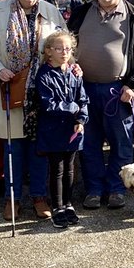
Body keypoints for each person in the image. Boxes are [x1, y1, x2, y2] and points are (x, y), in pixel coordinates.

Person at [0, 0, 67, 221]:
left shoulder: (51, 12)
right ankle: (12, 199)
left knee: (39, 148)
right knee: (13, 148)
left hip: (42, 92)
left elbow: (64, 45)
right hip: (11, 88)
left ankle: (39, 197)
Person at [67, 0, 134, 209]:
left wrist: (133, 84)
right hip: (84, 90)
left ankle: (117, 189)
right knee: (90, 143)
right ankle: (94, 189)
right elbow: (67, 45)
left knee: (122, 144)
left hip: (119, 92)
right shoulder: (81, 11)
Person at [34, 30, 88, 227]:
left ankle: (68, 204)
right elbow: (49, 104)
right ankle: (57, 206)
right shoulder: (44, 74)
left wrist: (81, 119)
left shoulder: (74, 72)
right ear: (49, 51)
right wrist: (73, 108)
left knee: (70, 168)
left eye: (67, 48)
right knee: (57, 168)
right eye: (59, 48)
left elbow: (83, 98)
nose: (64, 52)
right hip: (53, 130)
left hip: (73, 130)